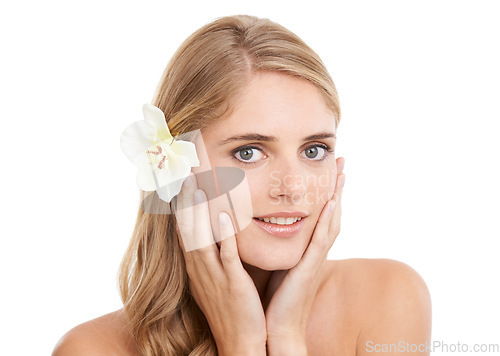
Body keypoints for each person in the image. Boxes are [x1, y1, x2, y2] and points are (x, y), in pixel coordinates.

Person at [52, 14, 431, 356]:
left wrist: (286, 336)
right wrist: (243, 345)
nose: (294, 188)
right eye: (249, 152)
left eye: (314, 150)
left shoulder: (388, 298)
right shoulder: (93, 349)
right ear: (176, 166)